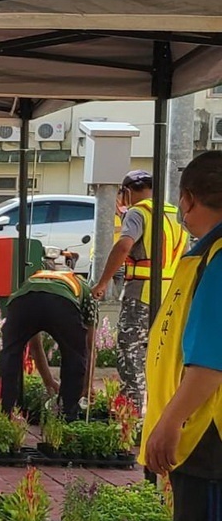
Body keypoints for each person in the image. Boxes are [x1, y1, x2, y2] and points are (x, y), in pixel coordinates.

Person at [142, 151, 222, 521]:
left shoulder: (219, 259)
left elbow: (209, 362)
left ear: (189, 199)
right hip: (202, 431)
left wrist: (169, 424)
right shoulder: (207, 254)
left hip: (209, 434)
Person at [92, 169, 188, 409]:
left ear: (127, 192)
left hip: (140, 294)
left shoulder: (138, 213)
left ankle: (133, 413)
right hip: (168, 295)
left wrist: (103, 282)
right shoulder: (173, 214)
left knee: (131, 352)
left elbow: (124, 246)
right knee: (159, 354)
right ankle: (158, 408)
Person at [0, 269, 97, 419]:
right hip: (62, 304)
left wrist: (49, 382)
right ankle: (67, 415)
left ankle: (5, 412)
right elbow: (89, 347)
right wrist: (86, 386)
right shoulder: (87, 291)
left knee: (9, 355)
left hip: (22, 302)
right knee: (74, 355)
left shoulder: (35, 280)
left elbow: (35, 346)